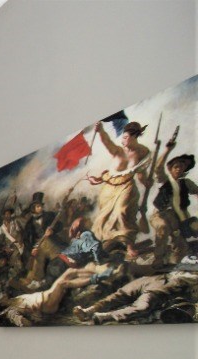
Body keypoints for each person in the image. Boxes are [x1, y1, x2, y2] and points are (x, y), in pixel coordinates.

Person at [87, 121, 151, 258]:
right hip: (109, 186)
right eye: (123, 137)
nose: (123, 141)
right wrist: (101, 131)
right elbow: (107, 142)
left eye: (126, 137)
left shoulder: (143, 152)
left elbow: (141, 173)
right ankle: (106, 244)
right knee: (104, 216)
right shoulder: (118, 150)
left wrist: (146, 182)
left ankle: (129, 246)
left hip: (127, 185)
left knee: (123, 211)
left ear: (134, 137)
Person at [73, 269, 198, 324]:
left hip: (159, 286)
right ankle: (91, 312)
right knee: (122, 297)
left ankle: (100, 315)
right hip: (156, 282)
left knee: (139, 306)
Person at [148, 134, 196, 266]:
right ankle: (158, 260)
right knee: (163, 228)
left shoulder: (186, 183)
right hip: (160, 215)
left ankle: (175, 263)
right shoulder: (165, 180)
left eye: (182, 167)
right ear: (170, 168)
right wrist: (167, 150)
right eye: (176, 167)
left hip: (177, 218)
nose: (179, 169)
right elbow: (158, 167)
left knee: (182, 245)